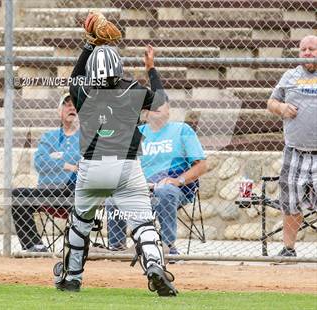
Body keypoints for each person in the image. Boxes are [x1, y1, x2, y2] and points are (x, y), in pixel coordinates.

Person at [53, 38, 177, 295]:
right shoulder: (133, 88)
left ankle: (72, 277)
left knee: (80, 223)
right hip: (127, 165)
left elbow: (74, 77)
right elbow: (161, 101)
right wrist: (151, 69)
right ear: (118, 68)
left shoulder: (83, 90)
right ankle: (154, 265)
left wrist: (89, 44)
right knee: (143, 223)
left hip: (92, 167)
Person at [107, 102, 208, 257]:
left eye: (161, 103)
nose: (155, 106)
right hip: (142, 188)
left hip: (175, 188)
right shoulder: (135, 133)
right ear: (145, 112)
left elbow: (201, 166)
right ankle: (117, 249)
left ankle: (167, 247)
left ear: (168, 110)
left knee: (164, 190)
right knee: (114, 196)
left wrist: (178, 180)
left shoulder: (182, 130)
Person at [267, 35, 317, 257]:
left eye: (312, 49)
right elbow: (271, 102)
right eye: (303, 49)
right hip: (295, 151)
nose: (307, 52)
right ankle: (288, 249)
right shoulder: (290, 76)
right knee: (290, 203)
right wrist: (282, 108)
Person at [11, 93, 80, 252]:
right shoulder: (49, 137)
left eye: (75, 104)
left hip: (74, 192)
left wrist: (55, 159)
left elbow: (85, 164)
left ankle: (78, 247)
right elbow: (40, 163)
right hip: (48, 191)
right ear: (59, 112)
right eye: (67, 104)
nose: (71, 107)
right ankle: (35, 245)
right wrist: (67, 165)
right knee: (17, 195)